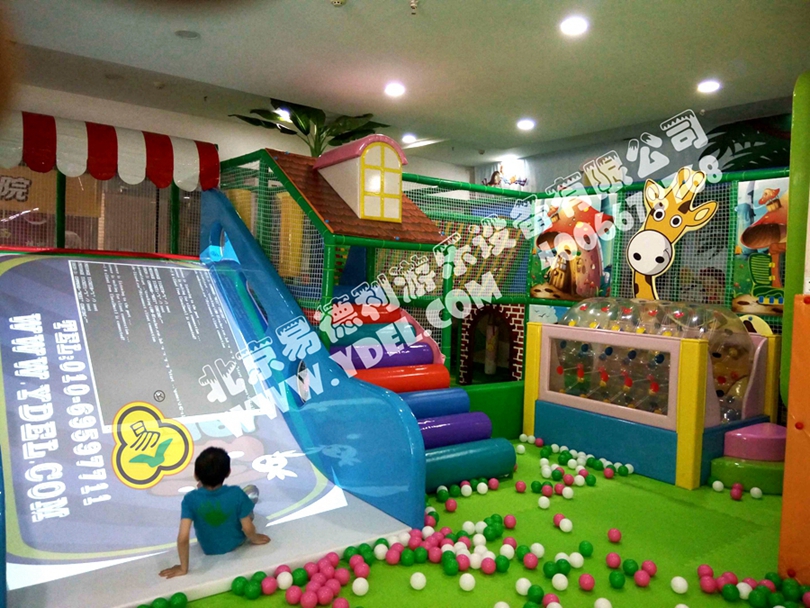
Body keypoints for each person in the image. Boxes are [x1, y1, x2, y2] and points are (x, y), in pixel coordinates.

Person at [159, 447, 270, 578]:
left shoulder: (190, 499)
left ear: (196, 476)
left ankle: (206, 489)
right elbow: (247, 527)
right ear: (228, 472)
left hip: (208, 548)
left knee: (216, 502)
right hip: (237, 542)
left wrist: (183, 568)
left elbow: (183, 537)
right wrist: (255, 539)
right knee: (251, 493)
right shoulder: (236, 493)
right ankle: (248, 500)